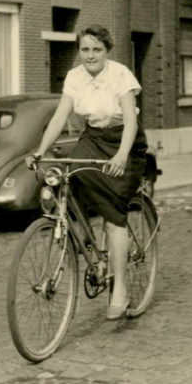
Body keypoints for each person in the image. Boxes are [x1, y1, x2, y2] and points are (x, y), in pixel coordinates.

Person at [32, 24, 148, 320]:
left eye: (97, 49)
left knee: (112, 214)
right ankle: (90, 249)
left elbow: (132, 123)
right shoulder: (74, 77)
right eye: (85, 49)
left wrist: (122, 154)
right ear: (79, 51)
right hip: (94, 138)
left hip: (125, 140)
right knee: (71, 178)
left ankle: (120, 290)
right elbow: (60, 116)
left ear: (107, 51)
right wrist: (40, 149)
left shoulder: (120, 74)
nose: (90, 55)